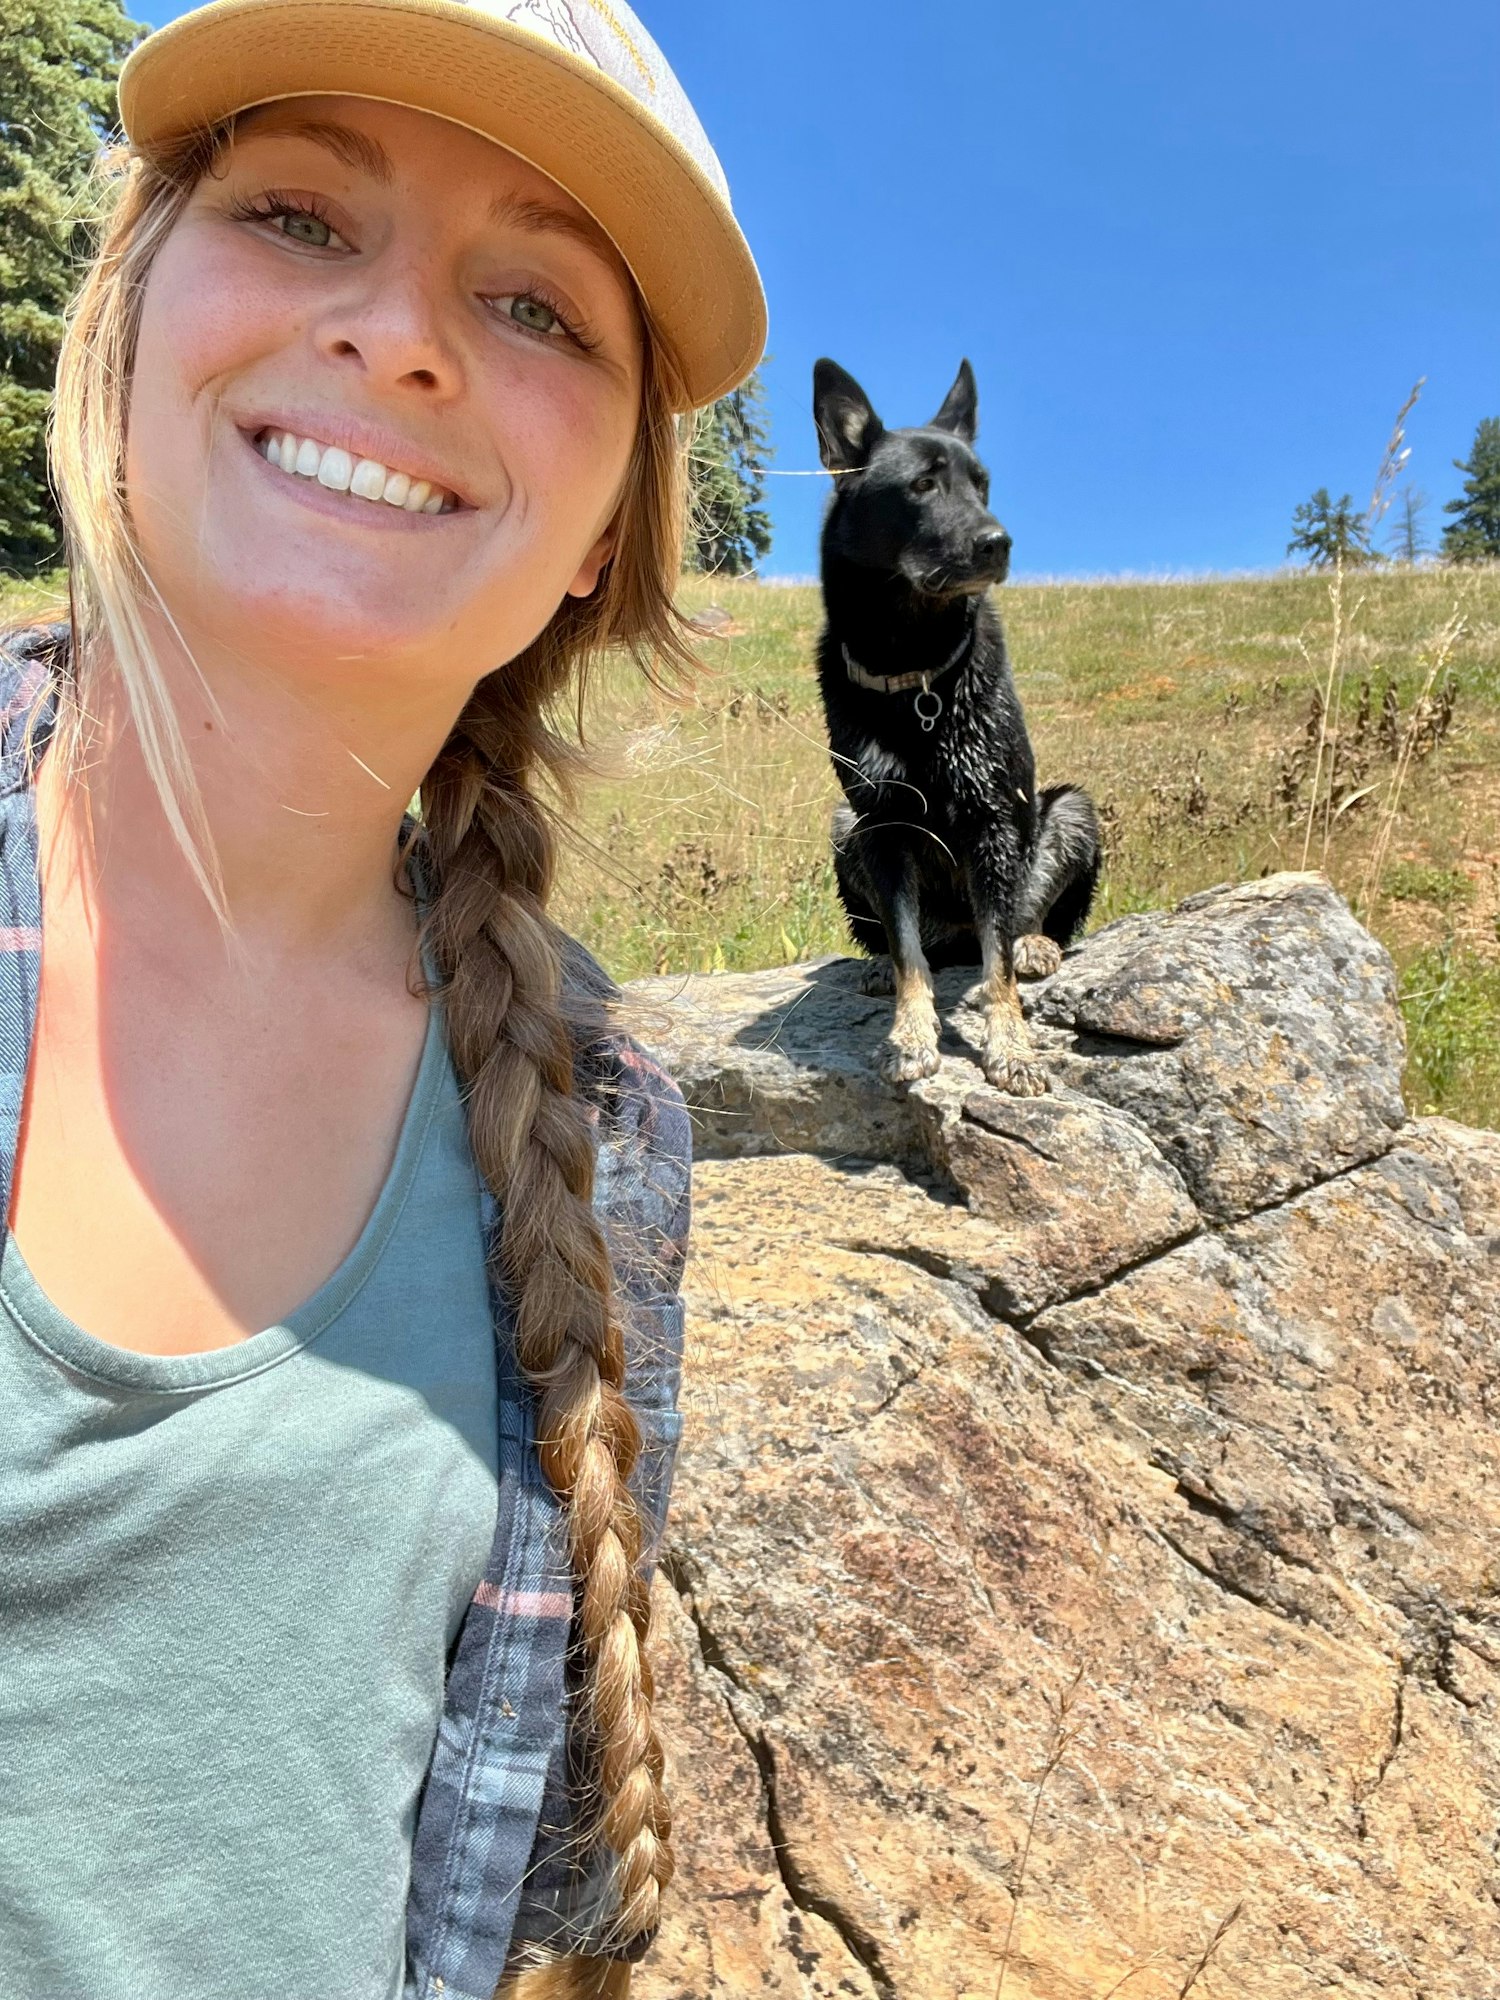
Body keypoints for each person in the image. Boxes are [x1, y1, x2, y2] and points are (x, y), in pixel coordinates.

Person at [0, 1, 765, 1995]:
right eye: (302, 215)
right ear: (133, 311)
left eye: (535, 307)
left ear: (604, 531)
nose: (405, 334)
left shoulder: (602, 1136)